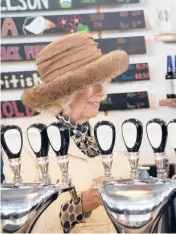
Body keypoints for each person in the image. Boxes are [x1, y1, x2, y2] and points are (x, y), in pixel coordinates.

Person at [2, 32, 132, 233]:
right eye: (93, 83)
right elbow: (16, 224)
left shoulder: (105, 131)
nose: (102, 92)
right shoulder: (26, 141)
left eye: (103, 80)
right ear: (67, 92)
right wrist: (79, 206)